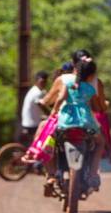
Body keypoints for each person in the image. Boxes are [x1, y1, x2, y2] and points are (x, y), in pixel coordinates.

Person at [48, 58, 102, 190]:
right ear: (91, 76)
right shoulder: (90, 89)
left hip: (65, 121)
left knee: (50, 141)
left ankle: (52, 173)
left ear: (76, 71)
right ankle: (93, 174)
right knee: (100, 142)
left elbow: (60, 99)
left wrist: (53, 112)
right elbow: (96, 108)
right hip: (85, 123)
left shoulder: (68, 85)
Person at [20, 71, 48, 143]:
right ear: (36, 81)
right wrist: (50, 114)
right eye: (41, 81)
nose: (43, 84)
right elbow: (42, 107)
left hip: (28, 122)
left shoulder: (35, 90)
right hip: (32, 124)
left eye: (45, 82)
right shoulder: (37, 93)